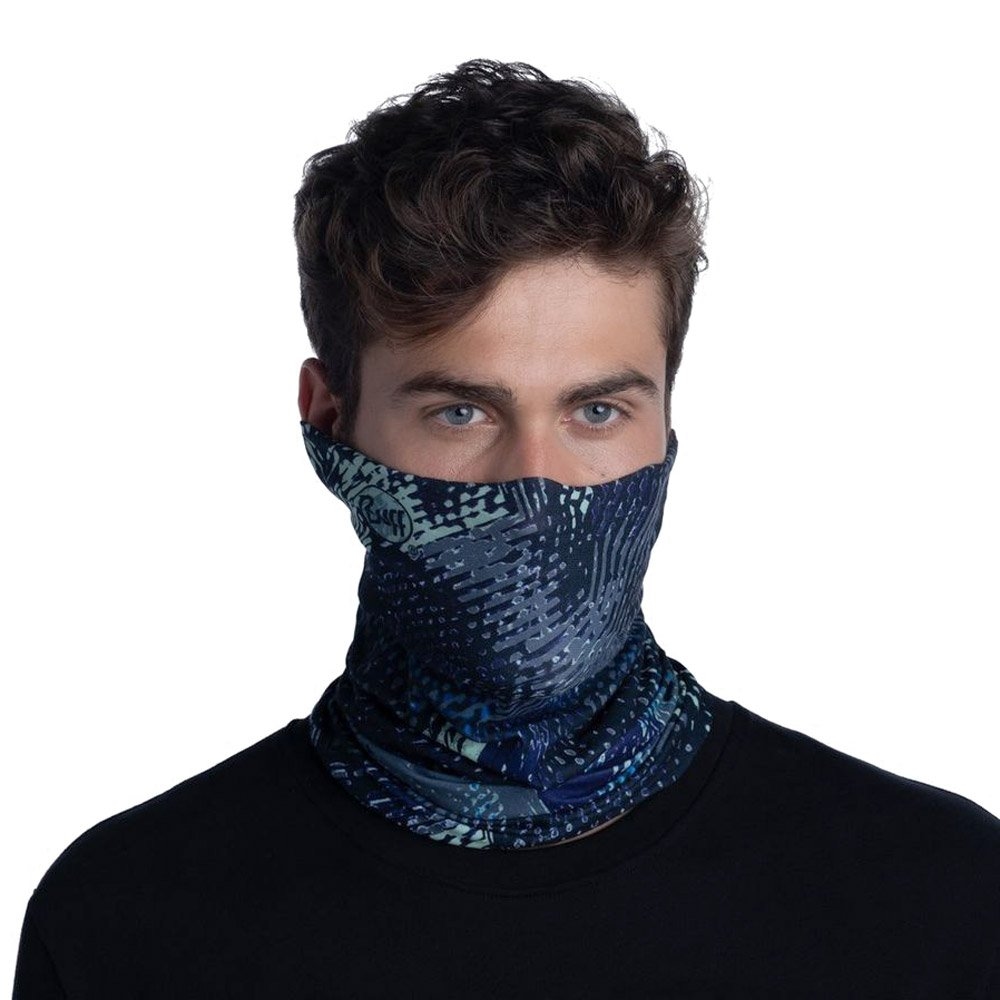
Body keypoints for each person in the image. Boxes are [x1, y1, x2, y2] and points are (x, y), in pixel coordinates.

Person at [12, 58, 1000, 999]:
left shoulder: (936, 896)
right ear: (329, 421)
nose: (536, 486)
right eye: (461, 412)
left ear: (665, 417)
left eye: (596, 411)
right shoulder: (128, 919)